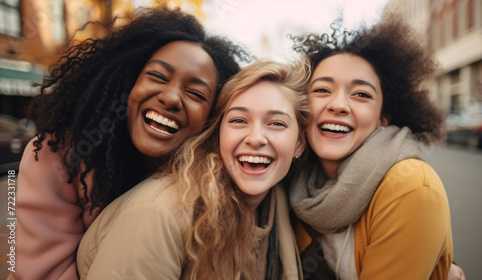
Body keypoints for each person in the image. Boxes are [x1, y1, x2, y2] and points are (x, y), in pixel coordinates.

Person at [9, 7, 249, 280]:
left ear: (213, 116)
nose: (170, 98)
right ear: (127, 83)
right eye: (157, 76)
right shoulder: (59, 157)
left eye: (195, 93)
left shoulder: (215, 180)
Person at [76, 58, 309, 279]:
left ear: (299, 143)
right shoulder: (158, 213)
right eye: (238, 120)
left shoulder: (277, 206)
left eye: (277, 123)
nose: (256, 138)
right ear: (218, 135)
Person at [288, 15, 454, 279]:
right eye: (321, 90)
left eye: (361, 94)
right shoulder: (290, 176)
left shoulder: (411, 186)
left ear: (382, 120)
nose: (338, 104)